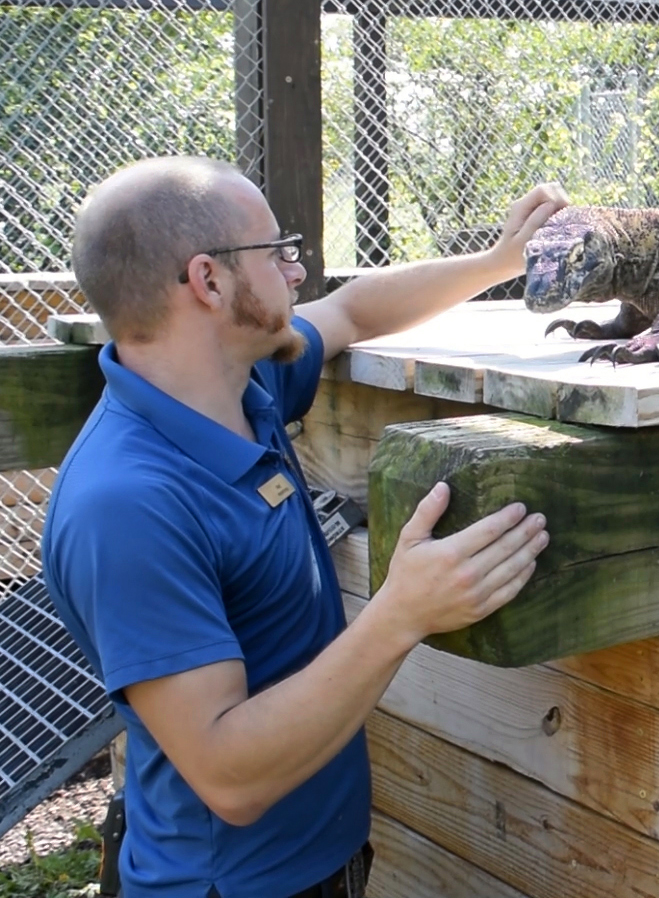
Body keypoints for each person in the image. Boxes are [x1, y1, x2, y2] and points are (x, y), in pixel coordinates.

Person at [42, 157, 568, 898]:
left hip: (323, 859)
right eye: (277, 251)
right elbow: (229, 778)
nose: (296, 272)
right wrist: (400, 614)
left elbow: (355, 310)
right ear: (210, 281)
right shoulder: (127, 505)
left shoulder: (242, 385)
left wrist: (499, 262)